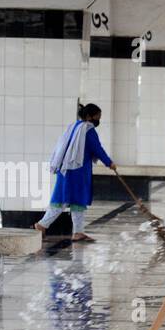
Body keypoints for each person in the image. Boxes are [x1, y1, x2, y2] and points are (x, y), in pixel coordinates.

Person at [37, 102, 115, 243]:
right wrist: (109, 163)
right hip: (76, 172)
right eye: (98, 117)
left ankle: (78, 232)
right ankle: (42, 225)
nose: (99, 120)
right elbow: (97, 149)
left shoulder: (74, 127)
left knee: (77, 202)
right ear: (90, 116)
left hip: (67, 169)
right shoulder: (88, 130)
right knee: (63, 200)